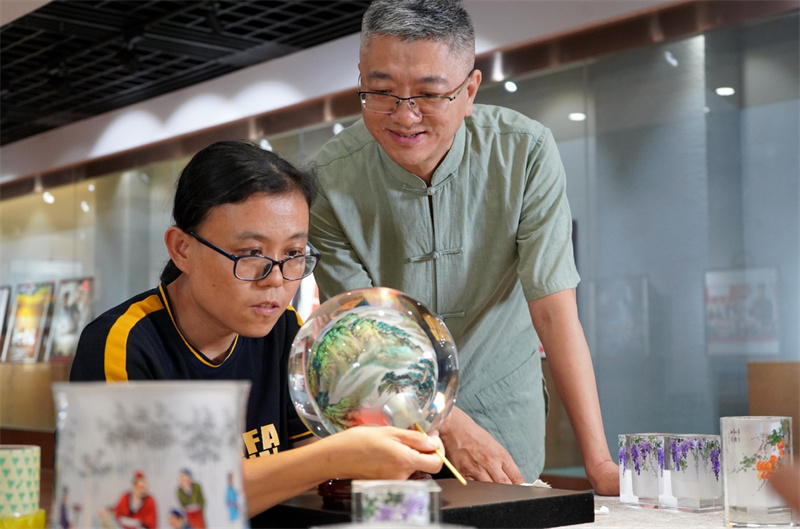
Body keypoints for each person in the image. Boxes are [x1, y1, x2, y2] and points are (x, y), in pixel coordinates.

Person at [309, 0, 618, 494]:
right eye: (381, 91)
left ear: (469, 90)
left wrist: (599, 463)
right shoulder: (329, 179)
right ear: (360, 79)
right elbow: (363, 333)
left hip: (504, 419)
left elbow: (555, 312)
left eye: (429, 94)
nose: (404, 116)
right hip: (388, 421)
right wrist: (446, 422)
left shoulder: (524, 152)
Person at [70, 140, 444, 525]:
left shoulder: (287, 334)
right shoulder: (124, 342)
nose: (277, 281)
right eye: (252, 255)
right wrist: (336, 456)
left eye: (294, 255)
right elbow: (151, 506)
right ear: (182, 249)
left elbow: (308, 483)